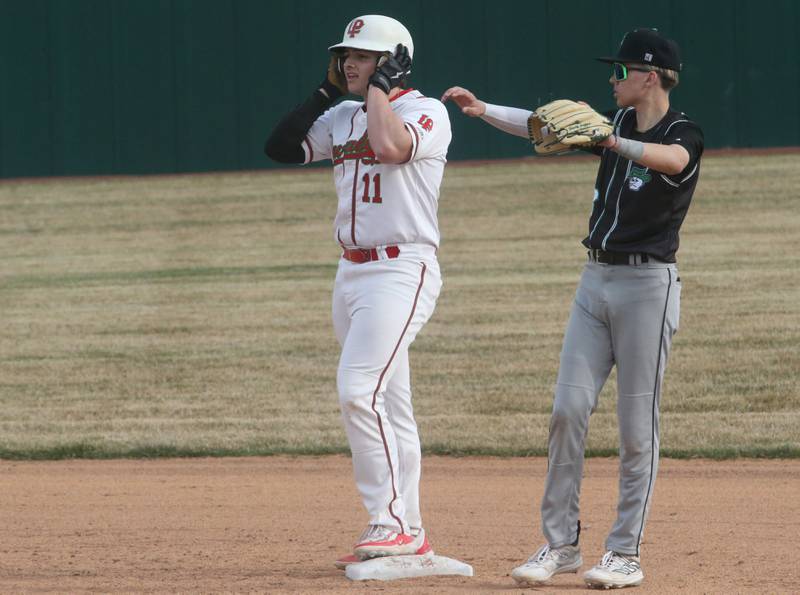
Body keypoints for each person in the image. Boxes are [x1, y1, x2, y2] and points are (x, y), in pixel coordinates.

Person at [442, 28, 703, 588]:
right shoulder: (612, 127)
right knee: (566, 412)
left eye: (621, 71)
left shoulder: (682, 133)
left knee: (636, 429)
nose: (612, 80)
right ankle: (559, 545)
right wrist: (481, 109)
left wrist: (613, 144)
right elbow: (539, 122)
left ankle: (624, 553)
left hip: (647, 289)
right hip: (594, 283)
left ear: (650, 76)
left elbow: (673, 159)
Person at [265, 15, 452, 566]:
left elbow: (393, 148)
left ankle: (389, 521)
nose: (349, 62)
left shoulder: (426, 112)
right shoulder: (342, 115)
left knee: (357, 388)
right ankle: (411, 531)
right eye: (346, 54)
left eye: (364, 56)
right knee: (390, 404)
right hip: (350, 274)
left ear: (394, 63)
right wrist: (328, 92)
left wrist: (377, 91)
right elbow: (278, 147)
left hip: (402, 269)